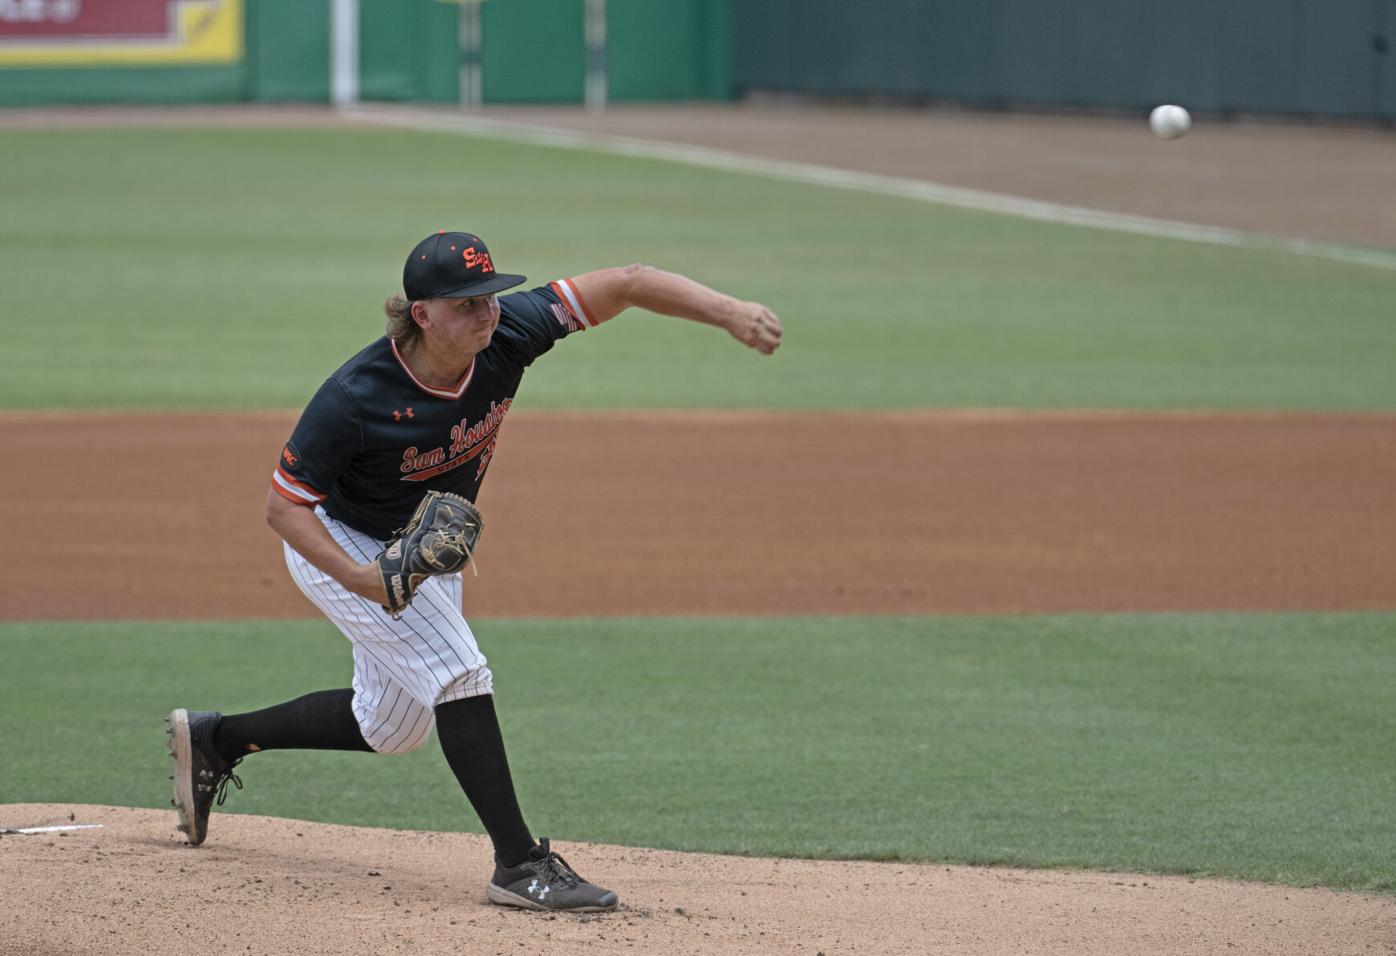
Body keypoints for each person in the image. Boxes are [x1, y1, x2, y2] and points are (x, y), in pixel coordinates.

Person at [166, 230, 781, 913]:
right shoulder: (356, 397)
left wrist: (729, 311)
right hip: (345, 544)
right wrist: (361, 577)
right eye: (465, 304)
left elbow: (630, 281)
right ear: (421, 314)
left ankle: (215, 739)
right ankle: (519, 863)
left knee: (391, 728)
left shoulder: (511, 332)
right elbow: (284, 508)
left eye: (489, 296)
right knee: (461, 672)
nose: (486, 312)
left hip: (418, 552)